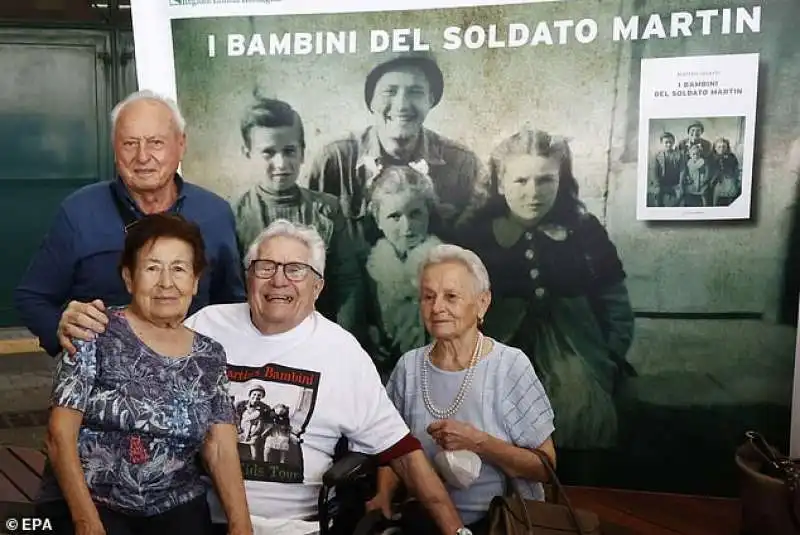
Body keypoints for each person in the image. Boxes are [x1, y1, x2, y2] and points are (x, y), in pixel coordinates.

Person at [61, 219, 474, 535]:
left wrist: (456, 531)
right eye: (265, 267)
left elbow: (401, 451)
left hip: (293, 527)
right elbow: (140, 327)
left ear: (317, 287)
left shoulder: (342, 351)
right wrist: (82, 318)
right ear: (248, 276)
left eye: (295, 269)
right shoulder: (206, 325)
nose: (279, 280)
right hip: (199, 516)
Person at [36, 213, 252, 535]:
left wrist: (240, 524)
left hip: (178, 505)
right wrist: (86, 521)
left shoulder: (210, 354)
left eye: (179, 269)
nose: (166, 283)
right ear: (129, 278)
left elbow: (219, 446)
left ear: (195, 281)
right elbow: (59, 435)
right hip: (96, 502)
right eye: (152, 268)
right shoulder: (94, 330)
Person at [457, 128, 635, 485]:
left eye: (545, 180)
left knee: (580, 410)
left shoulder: (584, 231)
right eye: (520, 180)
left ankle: (573, 498)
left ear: (562, 180)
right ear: (500, 182)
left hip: (572, 346)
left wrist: (608, 357)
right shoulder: (475, 235)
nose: (533, 193)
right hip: (499, 342)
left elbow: (614, 300)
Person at [15, 89, 245, 358]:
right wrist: (60, 329)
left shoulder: (215, 214)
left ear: (181, 144)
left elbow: (233, 306)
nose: (143, 156)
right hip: (102, 381)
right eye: (129, 143)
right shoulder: (79, 212)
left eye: (156, 142)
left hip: (192, 378)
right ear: (115, 148)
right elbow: (32, 297)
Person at [368, 244, 556, 535]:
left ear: (482, 303)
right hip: (424, 520)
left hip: (499, 523)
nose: (437, 307)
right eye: (428, 297)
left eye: (451, 297)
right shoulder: (409, 367)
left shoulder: (509, 365)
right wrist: (383, 493)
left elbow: (545, 467)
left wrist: (480, 443)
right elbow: (393, 445)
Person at [304, 50, 489, 252]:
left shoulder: (461, 164)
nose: (401, 105)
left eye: (415, 91)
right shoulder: (335, 161)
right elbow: (311, 247)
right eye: (389, 92)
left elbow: (475, 248)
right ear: (371, 101)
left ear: (431, 99)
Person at [232, 97, 363, 335]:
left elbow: (348, 284)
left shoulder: (328, 210)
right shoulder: (234, 216)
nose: (280, 163)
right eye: (268, 153)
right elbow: (232, 291)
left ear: (302, 152)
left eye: (289, 151)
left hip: (319, 333)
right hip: (256, 334)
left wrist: (340, 339)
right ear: (248, 153)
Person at [364, 165, 442, 377]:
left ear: (428, 212)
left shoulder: (446, 262)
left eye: (415, 214)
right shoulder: (370, 268)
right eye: (394, 217)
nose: (407, 226)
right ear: (378, 219)